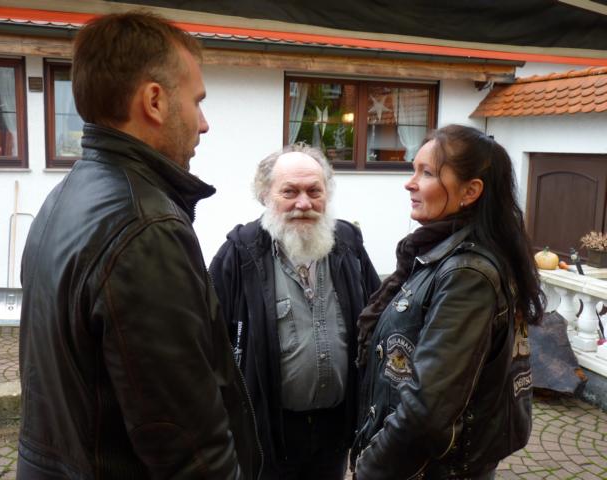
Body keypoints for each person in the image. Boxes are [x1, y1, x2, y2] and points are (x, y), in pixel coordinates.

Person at [18, 12, 261, 479]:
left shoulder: (64, 197)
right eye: (196, 101)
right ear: (154, 101)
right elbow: (189, 449)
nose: (204, 124)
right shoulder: (146, 228)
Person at [351, 125, 543, 480]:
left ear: (470, 191)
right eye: (414, 170)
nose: (410, 183)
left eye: (426, 173)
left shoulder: (466, 275)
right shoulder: (436, 254)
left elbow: (428, 408)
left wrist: (370, 469)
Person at [209, 144, 381, 480]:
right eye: (290, 192)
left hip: (335, 432)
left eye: (314, 191)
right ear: (265, 195)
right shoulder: (239, 254)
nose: (304, 203)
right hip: (268, 435)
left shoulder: (348, 244)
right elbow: (208, 344)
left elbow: (378, 318)